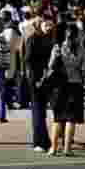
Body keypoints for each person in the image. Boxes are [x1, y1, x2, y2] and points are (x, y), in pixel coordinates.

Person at [44, 23, 85, 157]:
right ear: (76, 36)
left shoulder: (57, 47)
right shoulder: (82, 50)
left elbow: (50, 65)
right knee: (71, 119)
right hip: (74, 85)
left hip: (59, 86)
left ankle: (53, 148)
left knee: (58, 119)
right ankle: (67, 148)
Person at [25, 17, 54, 153]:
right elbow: (29, 60)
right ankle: (40, 141)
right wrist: (36, 77)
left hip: (46, 78)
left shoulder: (50, 39)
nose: (49, 27)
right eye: (46, 24)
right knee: (38, 111)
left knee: (40, 112)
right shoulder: (33, 39)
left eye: (50, 25)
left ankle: (43, 141)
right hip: (37, 79)